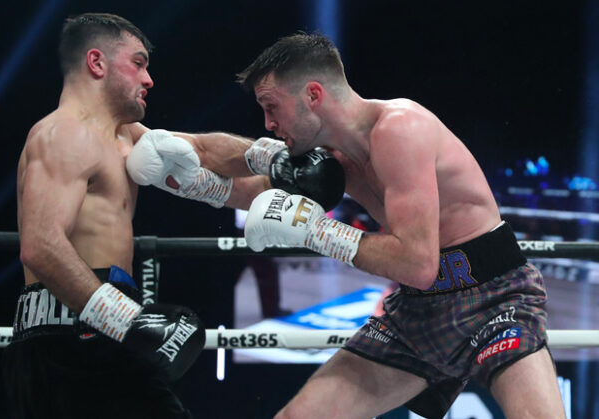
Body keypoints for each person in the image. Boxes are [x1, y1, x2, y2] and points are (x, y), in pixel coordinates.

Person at [130, 33, 566, 418]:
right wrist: (193, 180)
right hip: (419, 311)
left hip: (493, 299)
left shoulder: (400, 129)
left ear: (313, 95)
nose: (269, 123)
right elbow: (253, 177)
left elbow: (417, 262)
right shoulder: (333, 161)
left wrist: (316, 231)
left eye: (272, 107)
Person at [5, 13, 212, 419]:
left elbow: (205, 152)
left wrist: (271, 160)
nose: (149, 79)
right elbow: (40, 247)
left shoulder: (124, 138)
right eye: (138, 63)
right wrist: (126, 320)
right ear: (96, 63)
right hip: (73, 341)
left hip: (97, 333)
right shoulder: (65, 133)